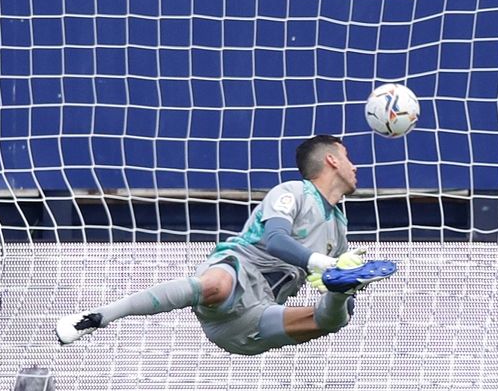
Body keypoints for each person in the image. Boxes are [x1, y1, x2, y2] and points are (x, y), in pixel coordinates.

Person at [54, 135, 396, 356]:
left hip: (257, 316)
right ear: (332, 161)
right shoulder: (292, 192)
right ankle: (98, 317)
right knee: (217, 283)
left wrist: (344, 288)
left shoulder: (338, 228)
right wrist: (325, 264)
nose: (356, 166)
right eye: (349, 156)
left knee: (332, 320)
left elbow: (331, 298)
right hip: (239, 273)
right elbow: (274, 239)